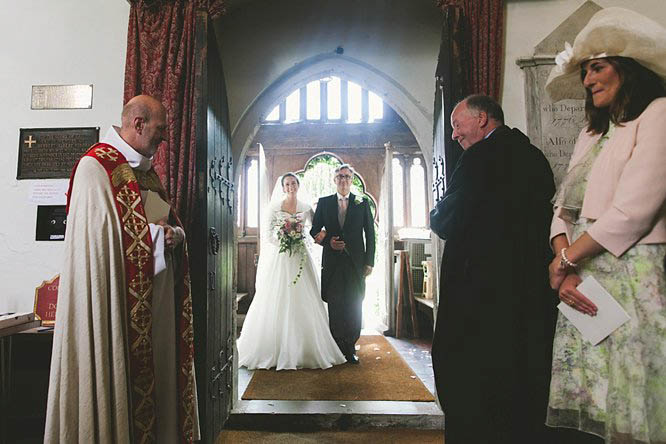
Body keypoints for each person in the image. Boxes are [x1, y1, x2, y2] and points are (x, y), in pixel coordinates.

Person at [45, 95, 200, 443]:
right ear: (138, 124)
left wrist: (176, 234)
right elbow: (98, 245)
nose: (163, 138)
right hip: (117, 309)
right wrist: (157, 238)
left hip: (155, 308)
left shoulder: (145, 173)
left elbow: (164, 222)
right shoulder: (95, 167)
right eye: (159, 130)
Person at [544, 7, 666, 443]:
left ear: (627, 69)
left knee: (634, 404)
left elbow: (635, 210)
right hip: (584, 277)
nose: (588, 80)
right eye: (585, 72)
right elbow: (562, 208)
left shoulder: (659, 114)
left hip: (633, 273)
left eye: (597, 67)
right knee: (597, 398)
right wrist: (565, 266)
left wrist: (565, 259)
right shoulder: (590, 132)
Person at [429, 95, 557, 443]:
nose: (454, 135)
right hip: (527, 291)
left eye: (457, 124)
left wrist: (435, 214)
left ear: (483, 118)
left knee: (474, 383)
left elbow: (446, 219)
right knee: (519, 375)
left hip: (479, 295)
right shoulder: (532, 156)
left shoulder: (478, 159)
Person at [237, 173, 347, 370]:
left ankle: (307, 347)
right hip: (281, 256)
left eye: (293, 183)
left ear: (298, 185)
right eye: (287, 184)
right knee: (277, 296)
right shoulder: (274, 207)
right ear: (283, 187)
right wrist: (283, 238)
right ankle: (274, 346)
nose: (291, 186)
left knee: (304, 297)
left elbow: (316, 227)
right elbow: (268, 233)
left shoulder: (306, 208)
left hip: (300, 255)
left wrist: (320, 235)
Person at [310, 164, 376, 364]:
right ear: (334, 180)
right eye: (339, 176)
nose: (343, 180)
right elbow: (314, 230)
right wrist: (328, 241)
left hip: (356, 262)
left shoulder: (362, 203)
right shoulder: (324, 202)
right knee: (336, 304)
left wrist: (370, 262)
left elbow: (370, 235)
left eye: (347, 176)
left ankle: (350, 346)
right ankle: (336, 346)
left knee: (355, 304)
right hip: (333, 263)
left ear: (352, 179)